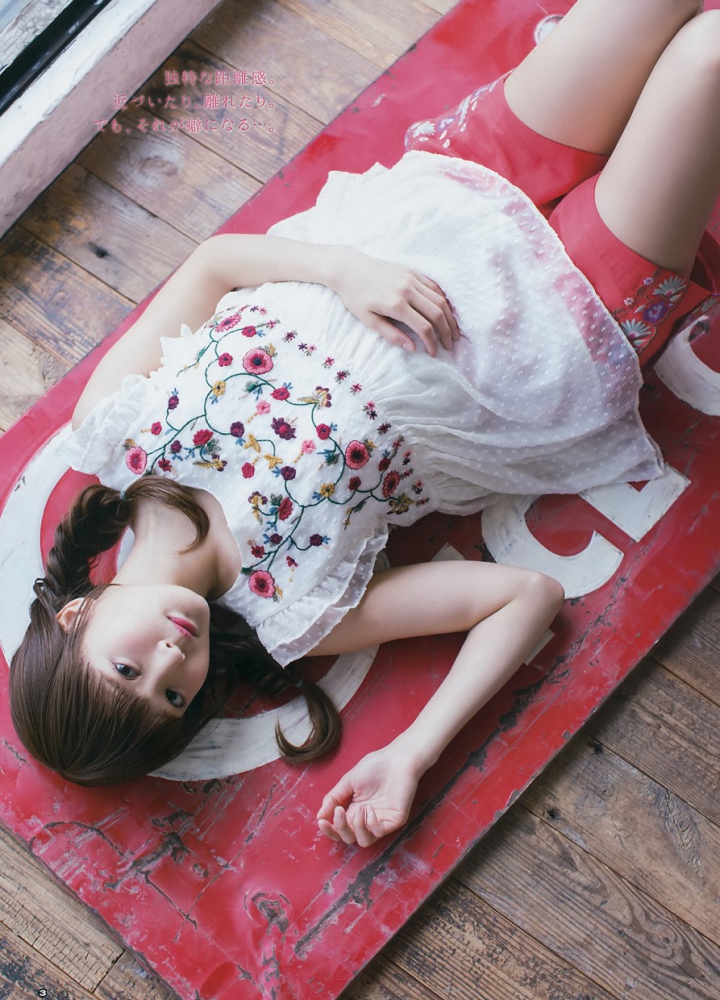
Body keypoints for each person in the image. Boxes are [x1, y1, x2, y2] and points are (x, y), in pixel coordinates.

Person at [9, 0, 720, 848]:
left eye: (128, 668)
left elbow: (215, 265)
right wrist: (413, 752)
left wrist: (344, 271)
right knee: (707, 58)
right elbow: (525, 599)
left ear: (74, 618)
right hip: (554, 328)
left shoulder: (115, 431)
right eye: (172, 696)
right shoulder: (297, 607)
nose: (171, 660)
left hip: (445, 196)